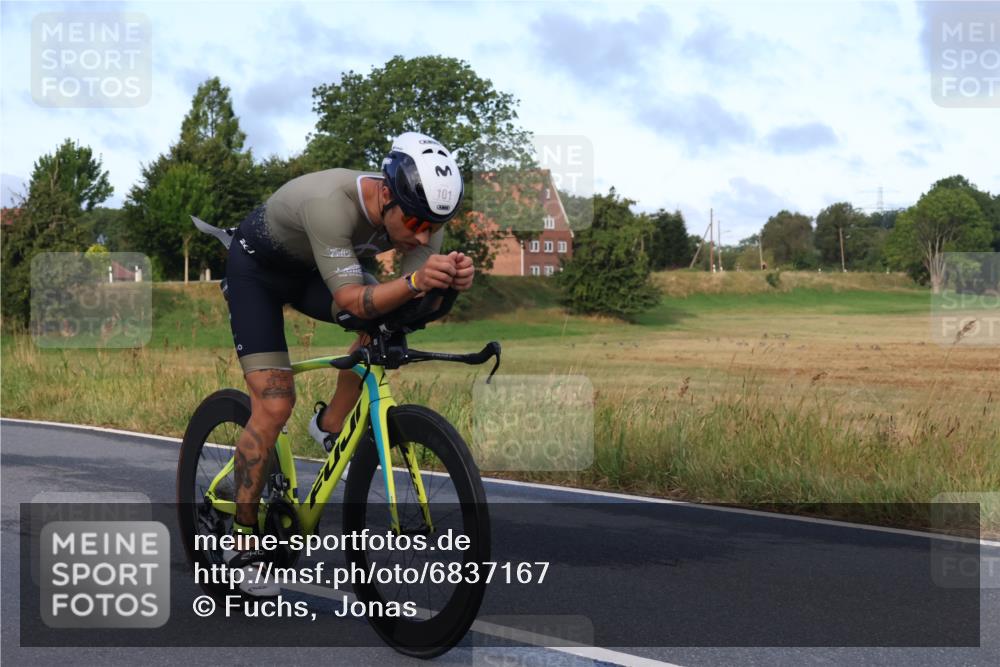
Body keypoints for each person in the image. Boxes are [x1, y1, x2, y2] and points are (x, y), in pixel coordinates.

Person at [220, 132, 473, 596]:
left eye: (434, 225)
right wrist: (418, 279)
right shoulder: (330, 202)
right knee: (274, 405)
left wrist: (448, 285)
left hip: (314, 271)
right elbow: (355, 300)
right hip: (257, 272)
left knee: (388, 322)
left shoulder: (425, 217)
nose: (423, 235)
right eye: (415, 221)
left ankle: (330, 424)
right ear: (385, 193)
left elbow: (408, 303)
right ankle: (241, 540)